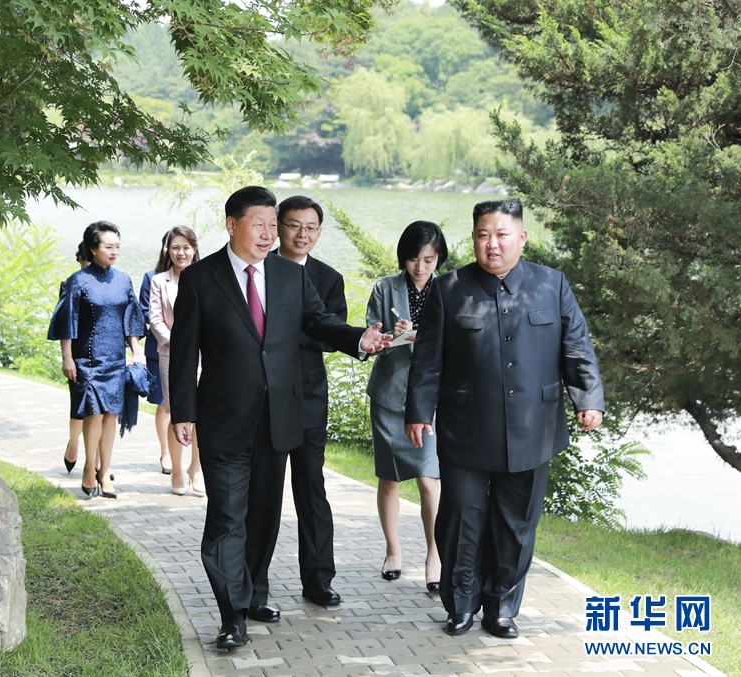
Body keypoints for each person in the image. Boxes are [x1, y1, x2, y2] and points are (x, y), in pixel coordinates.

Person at [169, 185, 392, 651]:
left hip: (279, 419)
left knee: (263, 518)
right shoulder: (201, 278)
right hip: (224, 418)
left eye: (274, 225)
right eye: (260, 224)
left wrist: (358, 339)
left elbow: (319, 321)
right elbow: (185, 352)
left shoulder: (290, 275)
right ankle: (232, 616)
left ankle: (252, 595)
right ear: (232, 225)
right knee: (227, 517)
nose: (269, 234)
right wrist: (182, 412)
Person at [405, 200, 605, 639]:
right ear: (474, 238)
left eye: (501, 234)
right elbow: (427, 359)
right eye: (482, 235)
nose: (491, 244)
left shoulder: (551, 284)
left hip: (534, 429)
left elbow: (576, 346)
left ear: (522, 237)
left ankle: (500, 608)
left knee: (516, 526)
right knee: (459, 520)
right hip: (465, 429)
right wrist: (418, 411)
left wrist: (588, 397)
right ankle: (460, 604)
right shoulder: (449, 288)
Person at [272, 195, 345, 607]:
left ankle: (319, 580)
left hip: (309, 398)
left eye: (311, 227)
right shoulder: (258, 270)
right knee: (262, 495)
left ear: (318, 232)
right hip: (263, 397)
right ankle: (254, 586)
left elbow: (331, 336)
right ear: (278, 226)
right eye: (294, 225)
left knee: (312, 490)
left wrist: (283, 331)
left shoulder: (329, 279)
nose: (302, 234)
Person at [366, 221, 446, 593]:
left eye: (428, 260)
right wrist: (392, 336)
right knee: (390, 477)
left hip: (431, 398)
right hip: (389, 394)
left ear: (438, 259)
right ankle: (393, 550)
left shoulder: (448, 289)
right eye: (414, 259)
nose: (420, 267)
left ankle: (435, 555)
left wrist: (424, 336)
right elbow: (371, 341)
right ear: (404, 257)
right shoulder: (385, 288)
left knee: (430, 479)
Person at [48, 221, 144, 499]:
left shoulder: (124, 280)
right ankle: (89, 467)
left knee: (111, 415)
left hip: (115, 359)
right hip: (87, 359)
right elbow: (67, 321)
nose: (115, 252)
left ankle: (105, 471)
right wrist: (67, 357)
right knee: (94, 413)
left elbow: (131, 318)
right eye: (108, 247)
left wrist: (136, 351)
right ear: (93, 248)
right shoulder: (78, 281)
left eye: (117, 247)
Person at [149, 225, 205, 495]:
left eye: (186, 247)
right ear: (167, 251)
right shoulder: (160, 281)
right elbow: (155, 319)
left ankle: (197, 469)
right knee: (176, 411)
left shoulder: (206, 277)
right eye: (175, 248)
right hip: (171, 356)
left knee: (203, 413)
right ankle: (177, 471)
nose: (181, 253)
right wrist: (179, 342)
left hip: (205, 356)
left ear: (194, 249)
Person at [138, 233, 173, 476]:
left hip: (194, 351)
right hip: (160, 349)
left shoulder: (196, 276)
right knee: (163, 403)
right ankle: (166, 452)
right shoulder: (151, 277)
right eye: (171, 246)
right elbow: (145, 312)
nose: (177, 252)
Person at [63, 241, 90, 474]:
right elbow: (66, 323)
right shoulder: (71, 284)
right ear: (80, 258)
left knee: (102, 413)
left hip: (104, 356)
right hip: (79, 355)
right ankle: (73, 442)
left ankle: (97, 462)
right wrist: (67, 357)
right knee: (79, 405)